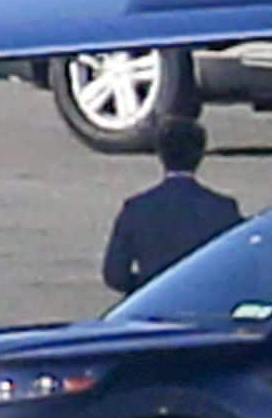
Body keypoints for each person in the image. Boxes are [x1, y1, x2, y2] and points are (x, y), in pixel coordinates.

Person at [102, 118, 241, 295]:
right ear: (200, 154)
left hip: (155, 307)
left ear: (161, 155)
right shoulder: (223, 209)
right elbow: (238, 268)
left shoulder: (137, 209)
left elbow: (115, 275)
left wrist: (148, 287)